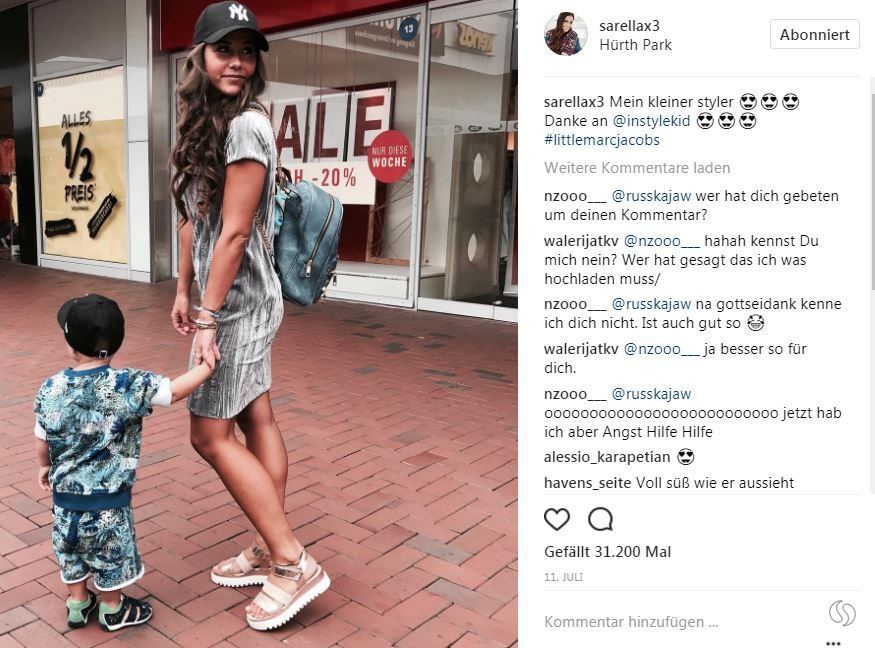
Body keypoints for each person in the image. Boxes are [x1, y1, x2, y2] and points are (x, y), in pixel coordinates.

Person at [169, 1, 329, 631]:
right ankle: (268, 546)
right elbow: (194, 219)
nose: (236, 62)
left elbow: (234, 233)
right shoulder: (203, 122)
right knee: (254, 414)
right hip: (222, 297)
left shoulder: (246, 127)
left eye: (246, 51)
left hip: (239, 302)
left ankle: (292, 561)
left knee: (208, 434)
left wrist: (208, 317)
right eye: (224, 50)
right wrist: (183, 290)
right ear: (200, 57)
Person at [34, 294, 212, 631]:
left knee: (71, 552)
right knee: (110, 556)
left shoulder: (50, 389)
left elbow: (42, 436)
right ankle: (112, 609)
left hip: (64, 502)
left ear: (70, 344)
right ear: (117, 342)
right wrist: (205, 368)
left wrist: (44, 466)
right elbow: (173, 391)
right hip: (108, 505)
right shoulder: (127, 384)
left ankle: (78, 603)